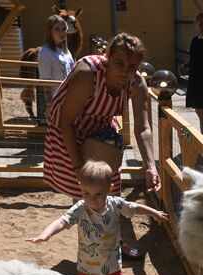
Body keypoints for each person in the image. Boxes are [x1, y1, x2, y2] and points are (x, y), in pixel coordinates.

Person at [43, 32, 160, 201]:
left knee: (108, 188)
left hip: (100, 127)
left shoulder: (137, 83)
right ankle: (85, 224)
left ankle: (108, 222)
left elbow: (142, 128)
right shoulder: (88, 74)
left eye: (132, 66)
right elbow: (65, 123)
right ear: (108, 57)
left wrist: (150, 166)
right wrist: (79, 170)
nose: (124, 71)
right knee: (86, 191)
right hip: (70, 128)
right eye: (119, 63)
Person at [27, 160, 168, 275]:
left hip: (111, 263)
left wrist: (154, 212)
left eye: (98, 194)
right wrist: (47, 233)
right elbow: (62, 221)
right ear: (80, 187)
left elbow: (135, 208)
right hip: (87, 266)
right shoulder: (80, 208)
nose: (91, 199)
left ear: (109, 189)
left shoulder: (116, 204)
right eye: (86, 193)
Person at [37, 14, 75, 122]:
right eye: (57, 29)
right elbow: (45, 83)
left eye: (63, 29)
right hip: (56, 103)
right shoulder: (45, 53)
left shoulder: (66, 52)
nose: (62, 32)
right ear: (50, 31)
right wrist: (49, 105)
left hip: (70, 101)